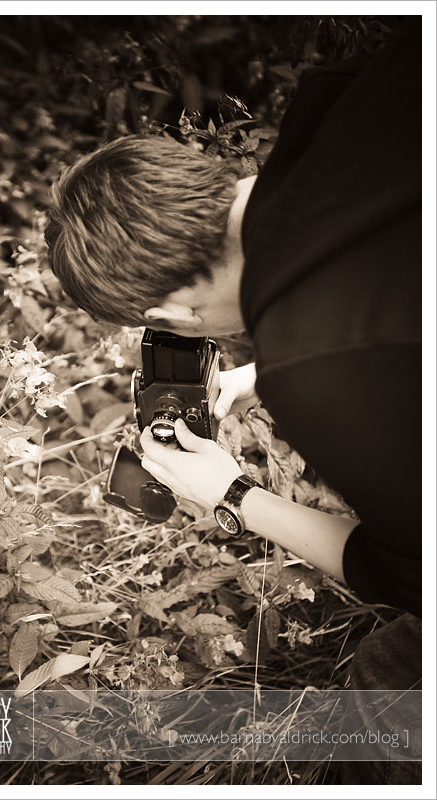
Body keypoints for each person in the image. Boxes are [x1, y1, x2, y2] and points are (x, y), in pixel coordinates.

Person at [45, 17, 421, 783]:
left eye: (156, 321)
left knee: (380, 699)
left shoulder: (319, 365)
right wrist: (262, 375)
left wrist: (234, 494)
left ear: (172, 313)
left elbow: (416, 576)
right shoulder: (346, 95)